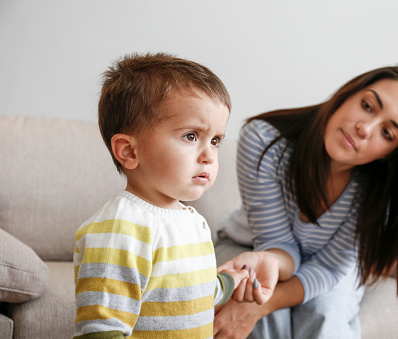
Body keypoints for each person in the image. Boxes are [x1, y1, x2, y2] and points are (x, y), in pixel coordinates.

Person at [213, 65, 398, 339]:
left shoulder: (377, 192)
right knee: (253, 295)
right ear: (347, 94)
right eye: (367, 105)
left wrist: (260, 307)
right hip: (254, 246)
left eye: (387, 134)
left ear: (392, 152)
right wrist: (261, 299)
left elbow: (328, 269)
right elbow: (275, 245)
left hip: (328, 267)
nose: (364, 128)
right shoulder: (263, 140)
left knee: (324, 312)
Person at [73, 53, 273, 339]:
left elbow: (192, 295)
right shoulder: (120, 228)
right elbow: (101, 330)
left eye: (215, 140)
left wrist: (229, 281)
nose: (209, 156)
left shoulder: (190, 221)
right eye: (191, 136)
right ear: (129, 151)